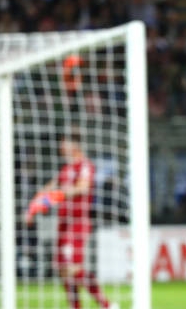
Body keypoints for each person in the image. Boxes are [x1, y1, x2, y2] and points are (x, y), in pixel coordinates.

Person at [26, 132, 117, 309]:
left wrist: (58, 195)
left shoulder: (84, 165)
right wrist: (33, 207)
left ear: (74, 145)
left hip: (78, 222)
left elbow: (83, 187)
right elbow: (48, 189)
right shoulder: (66, 169)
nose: (61, 147)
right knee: (63, 270)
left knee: (72, 268)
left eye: (64, 143)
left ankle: (107, 305)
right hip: (63, 223)